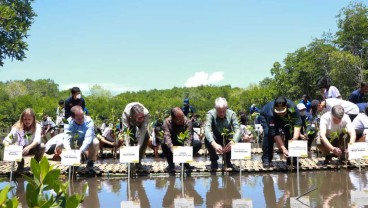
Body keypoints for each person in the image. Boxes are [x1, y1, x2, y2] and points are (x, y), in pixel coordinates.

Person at [258, 97, 302, 167]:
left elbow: (297, 124)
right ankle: (266, 159)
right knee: (268, 133)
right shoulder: (270, 113)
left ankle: (292, 159)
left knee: (290, 133)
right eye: (278, 112)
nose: (281, 114)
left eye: (282, 112)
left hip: (287, 119)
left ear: (287, 107)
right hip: (266, 117)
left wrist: (294, 139)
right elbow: (274, 133)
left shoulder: (293, 108)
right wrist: (283, 148)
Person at [3, 108, 45, 174]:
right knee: (13, 146)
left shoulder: (38, 126)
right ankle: (20, 165)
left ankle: (35, 164)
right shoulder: (16, 127)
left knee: (42, 146)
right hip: (20, 150)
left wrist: (28, 147)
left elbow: (37, 140)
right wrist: (7, 144)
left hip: (33, 148)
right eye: (25, 119)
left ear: (33, 119)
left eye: (29, 119)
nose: (27, 121)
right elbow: (9, 138)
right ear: (22, 119)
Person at [204, 97, 241, 171]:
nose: (222, 114)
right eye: (219, 111)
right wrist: (214, 144)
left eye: (224, 111)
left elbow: (237, 130)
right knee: (207, 139)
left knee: (237, 139)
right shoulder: (210, 114)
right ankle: (214, 161)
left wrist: (233, 142)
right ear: (215, 109)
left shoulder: (232, 114)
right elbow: (207, 129)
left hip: (227, 137)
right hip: (215, 137)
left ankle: (227, 161)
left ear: (226, 108)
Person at [161, 107, 202, 172]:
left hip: (183, 143)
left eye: (183, 117)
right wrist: (173, 150)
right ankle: (171, 164)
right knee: (164, 143)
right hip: (173, 143)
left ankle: (185, 163)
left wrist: (185, 150)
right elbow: (167, 138)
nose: (182, 120)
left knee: (198, 143)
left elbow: (189, 138)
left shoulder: (187, 121)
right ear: (173, 119)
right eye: (179, 119)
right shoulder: (166, 123)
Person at [61, 105, 100, 175]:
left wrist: (81, 151)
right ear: (72, 118)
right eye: (79, 119)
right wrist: (69, 151)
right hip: (75, 141)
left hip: (87, 141)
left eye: (82, 117)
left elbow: (88, 138)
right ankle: (74, 163)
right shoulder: (68, 123)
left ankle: (90, 163)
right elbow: (66, 138)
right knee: (64, 143)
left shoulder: (89, 121)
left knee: (95, 142)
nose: (82, 120)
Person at [122, 102, 150, 173]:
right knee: (130, 137)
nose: (142, 119)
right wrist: (129, 150)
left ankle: (138, 162)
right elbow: (126, 134)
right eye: (140, 118)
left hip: (141, 125)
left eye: (142, 117)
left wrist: (138, 147)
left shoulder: (146, 114)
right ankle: (130, 163)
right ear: (133, 117)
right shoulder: (125, 115)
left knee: (146, 137)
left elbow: (143, 132)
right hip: (130, 123)